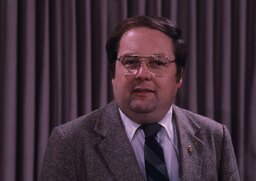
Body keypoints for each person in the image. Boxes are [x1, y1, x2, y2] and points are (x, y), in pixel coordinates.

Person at [40, 16, 240, 181]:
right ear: (112, 74)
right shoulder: (70, 142)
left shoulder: (214, 137)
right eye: (131, 61)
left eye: (157, 63)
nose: (142, 73)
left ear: (179, 76)